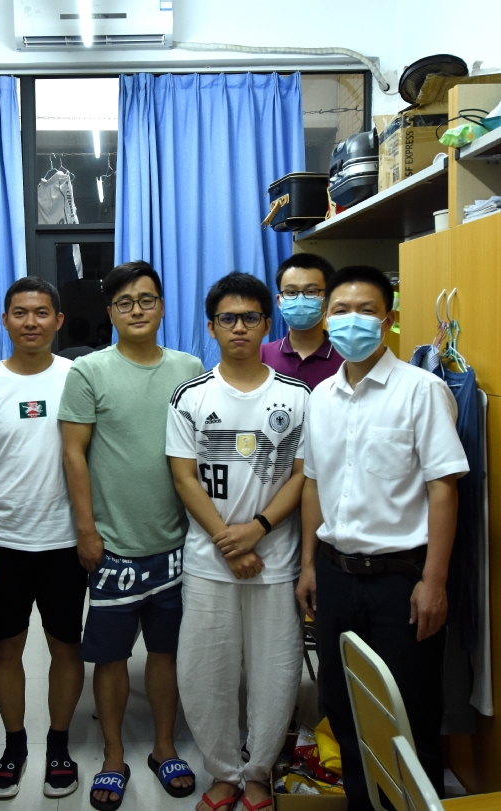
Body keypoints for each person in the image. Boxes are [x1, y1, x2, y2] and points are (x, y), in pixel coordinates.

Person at [296, 266, 469, 810]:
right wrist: (308, 565)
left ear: (389, 319)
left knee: (408, 713)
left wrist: (434, 582)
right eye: (341, 310)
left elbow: (444, 489)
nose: (353, 320)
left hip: (402, 580)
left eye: (366, 310)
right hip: (335, 576)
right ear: (326, 319)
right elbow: (313, 483)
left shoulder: (422, 390)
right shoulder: (320, 396)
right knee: (345, 709)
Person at [59, 260, 205, 810]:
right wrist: (86, 530)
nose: (137, 310)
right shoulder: (89, 371)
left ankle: (164, 748)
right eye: (125, 302)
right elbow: (73, 455)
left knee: (166, 654)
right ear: (111, 312)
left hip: (177, 545)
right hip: (113, 545)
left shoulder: (190, 368)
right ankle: (114, 755)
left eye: (146, 300)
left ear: (162, 307)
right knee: (112, 658)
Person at [167, 272, 308, 811]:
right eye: (228, 318)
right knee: (205, 670)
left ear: (267, 324)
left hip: (275, 559)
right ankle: (223, 773)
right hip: (209, 561)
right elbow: (183, 477)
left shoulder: (297, 397)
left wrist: (257, 530)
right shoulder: (191, 396)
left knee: (276, 670)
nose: (240, 327)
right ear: (211, 327)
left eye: (250, 317)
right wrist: (229, 541)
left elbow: (302, 475)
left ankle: (259, 774)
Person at [0, 277, 86, 800]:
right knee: (5, 648)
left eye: (41, 312)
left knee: (65, 646)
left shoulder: (77, 379)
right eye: (20, 312)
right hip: (3, 542)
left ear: (58, 320)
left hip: (65, 542)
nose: (31, 322)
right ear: (5, 319)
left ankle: (59, 747)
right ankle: (14, 747)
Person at [260, 253, 343, 389]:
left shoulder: (346, 357)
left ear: (329, 298)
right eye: (291, 293)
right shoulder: (260, 356)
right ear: (279, 301)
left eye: (311, 292)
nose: (300, 300)